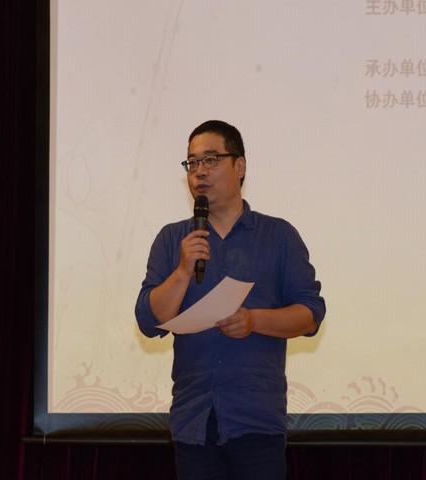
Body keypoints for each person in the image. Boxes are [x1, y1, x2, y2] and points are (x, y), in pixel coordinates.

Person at [135, 120, 326, 480]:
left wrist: (254, 321)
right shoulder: (172, 240)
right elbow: (148, 321)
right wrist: (182, 272)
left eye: (211, 160)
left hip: (256, 421)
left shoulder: (278, 236)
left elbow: (311, 314)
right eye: (192, 163)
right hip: (194, 421)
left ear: (239, 166)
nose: (199, 172)